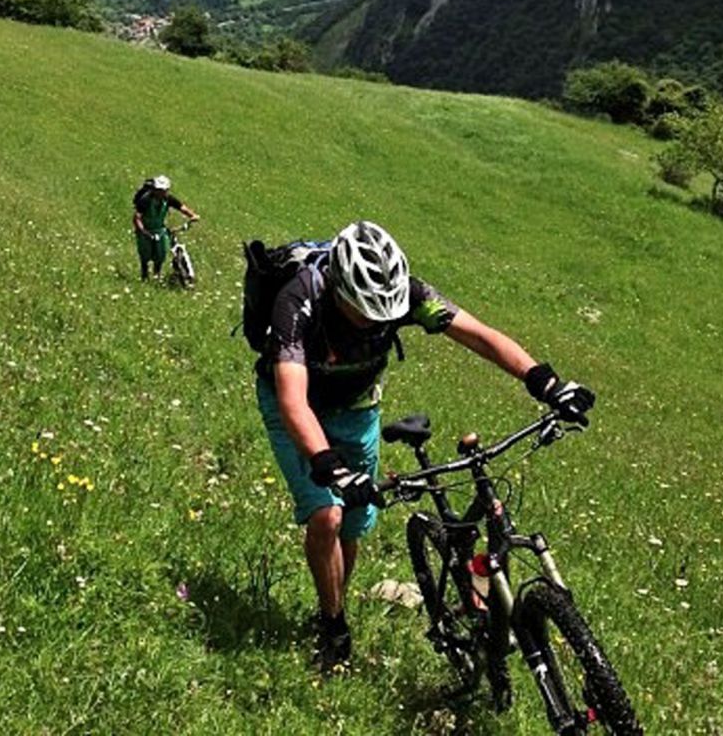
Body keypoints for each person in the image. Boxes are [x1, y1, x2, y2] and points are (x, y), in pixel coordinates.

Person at [254, 219, 595, 673]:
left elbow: (478, 333)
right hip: (295, 407)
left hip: (357, 406)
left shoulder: (407, 296)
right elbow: (293, 400)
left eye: (386, 312)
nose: (379, 321)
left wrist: (545, 381)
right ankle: (334, 626)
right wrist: (329, 465)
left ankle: (330, 601)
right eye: (367, 312)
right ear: (339, 290)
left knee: (353, 521)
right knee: (327, 513)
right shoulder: (298, 301)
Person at [132, 175, 199, 281]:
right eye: (158, 190)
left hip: (160, 230)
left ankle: (156, 275)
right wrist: (143, 231)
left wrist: (192, 215)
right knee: (145, 254)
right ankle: (144, 275)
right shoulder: (146, 200)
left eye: (163, 190)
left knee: (161, 253)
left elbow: (181, 207)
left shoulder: (168, 199)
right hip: (145, 230)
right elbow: (137, 217)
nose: (160, 193)